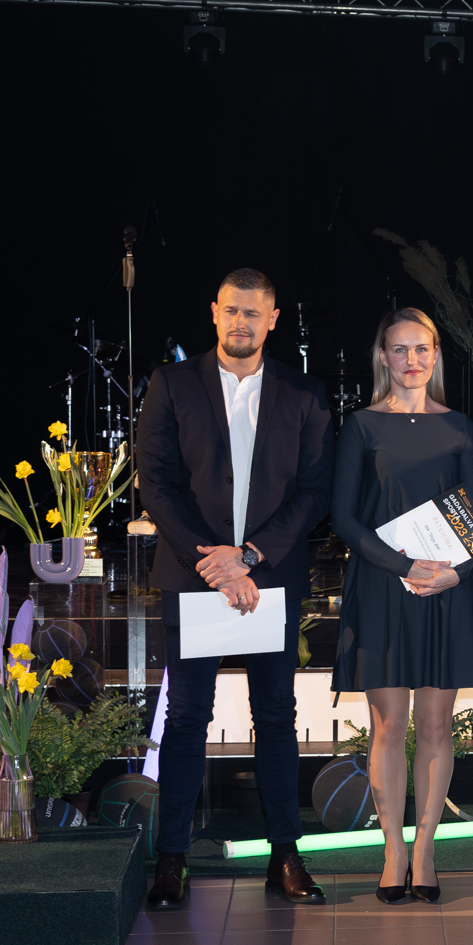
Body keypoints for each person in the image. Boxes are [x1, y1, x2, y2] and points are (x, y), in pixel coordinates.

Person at [136, 268, 334, 908]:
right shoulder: (172, 383)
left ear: (272, 319)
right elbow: (154, 480)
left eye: (253, 313)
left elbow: (315, 492)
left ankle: (285, 856)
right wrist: (214, 563)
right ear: (214, 313)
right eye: (231, 310)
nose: (240, 322)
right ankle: (172, 860)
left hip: (269, 578)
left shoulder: (304, 393)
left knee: (275, 717)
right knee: (186, 717)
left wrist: (248, 557)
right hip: (194, 576)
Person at [329, 309, 473, 904]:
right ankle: (392, 851)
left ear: (435, 355)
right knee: (387, 725)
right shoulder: (361, 426)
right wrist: (404, 567)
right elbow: (344, 518)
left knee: (435, 725)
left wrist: (456, 571)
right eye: (399, 350)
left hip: (446, 591)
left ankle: (424, 850)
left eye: (421, 349)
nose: (411, 360)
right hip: (383, 588)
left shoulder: (459, 427)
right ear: (383, 356)